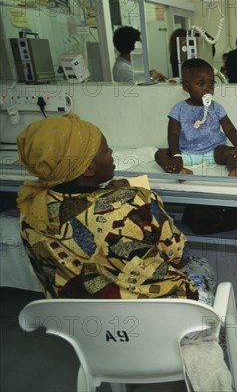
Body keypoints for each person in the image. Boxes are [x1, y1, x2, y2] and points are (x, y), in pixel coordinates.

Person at [16, 114, 214, 303]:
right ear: (88, 169)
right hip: (158, 315)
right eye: (105, 149)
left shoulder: (32, 212)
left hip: (86, 325)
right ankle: (206, 337)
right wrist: (119, 197)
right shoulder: (137, 201)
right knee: (203, 268)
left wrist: (101, 194)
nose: (111, 153)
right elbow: (181, 257)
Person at [155, 58, 237, 178]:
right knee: (160, 154)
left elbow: (229, 128)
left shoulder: (216, 107)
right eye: (201, 84)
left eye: (211, 83)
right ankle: (180, 170)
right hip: (186, 152)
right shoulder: (178, 109)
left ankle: (236, 170)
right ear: (186, 87)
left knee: (230, 153)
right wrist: (177, 156)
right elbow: (173, 134)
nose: (208, 88)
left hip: (214, 151)